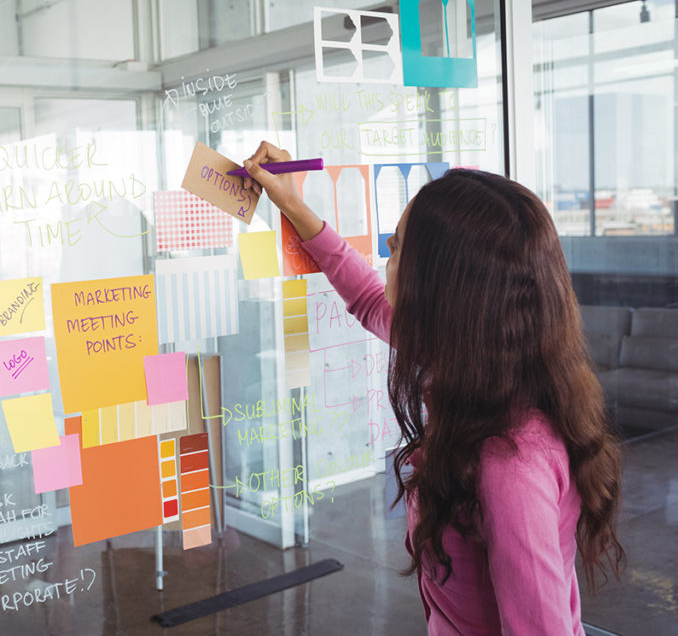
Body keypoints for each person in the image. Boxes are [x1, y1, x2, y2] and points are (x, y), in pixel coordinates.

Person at [241, 141, 625, 635]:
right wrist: (293, 204)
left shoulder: (511, 465)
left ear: (443, 286)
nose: (386, 257)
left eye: (398, 247)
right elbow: (365, 297)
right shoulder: (470, 359)